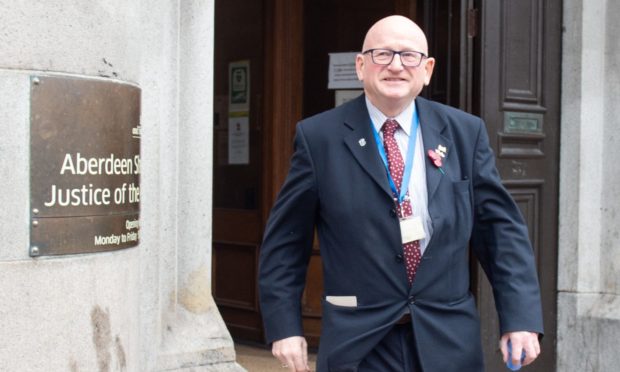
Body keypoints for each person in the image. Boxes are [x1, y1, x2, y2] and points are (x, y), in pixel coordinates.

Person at [258, 15, 543, 372]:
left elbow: (501, 232)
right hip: (359, 344)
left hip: (447, 341)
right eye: (382, 54)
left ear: (427, 69)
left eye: (408, 56)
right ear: (361, 66)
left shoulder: (465, 133)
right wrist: (285, 327)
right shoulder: (319, 138)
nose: (395, 66)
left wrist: (520, 317)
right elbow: (286, 241)